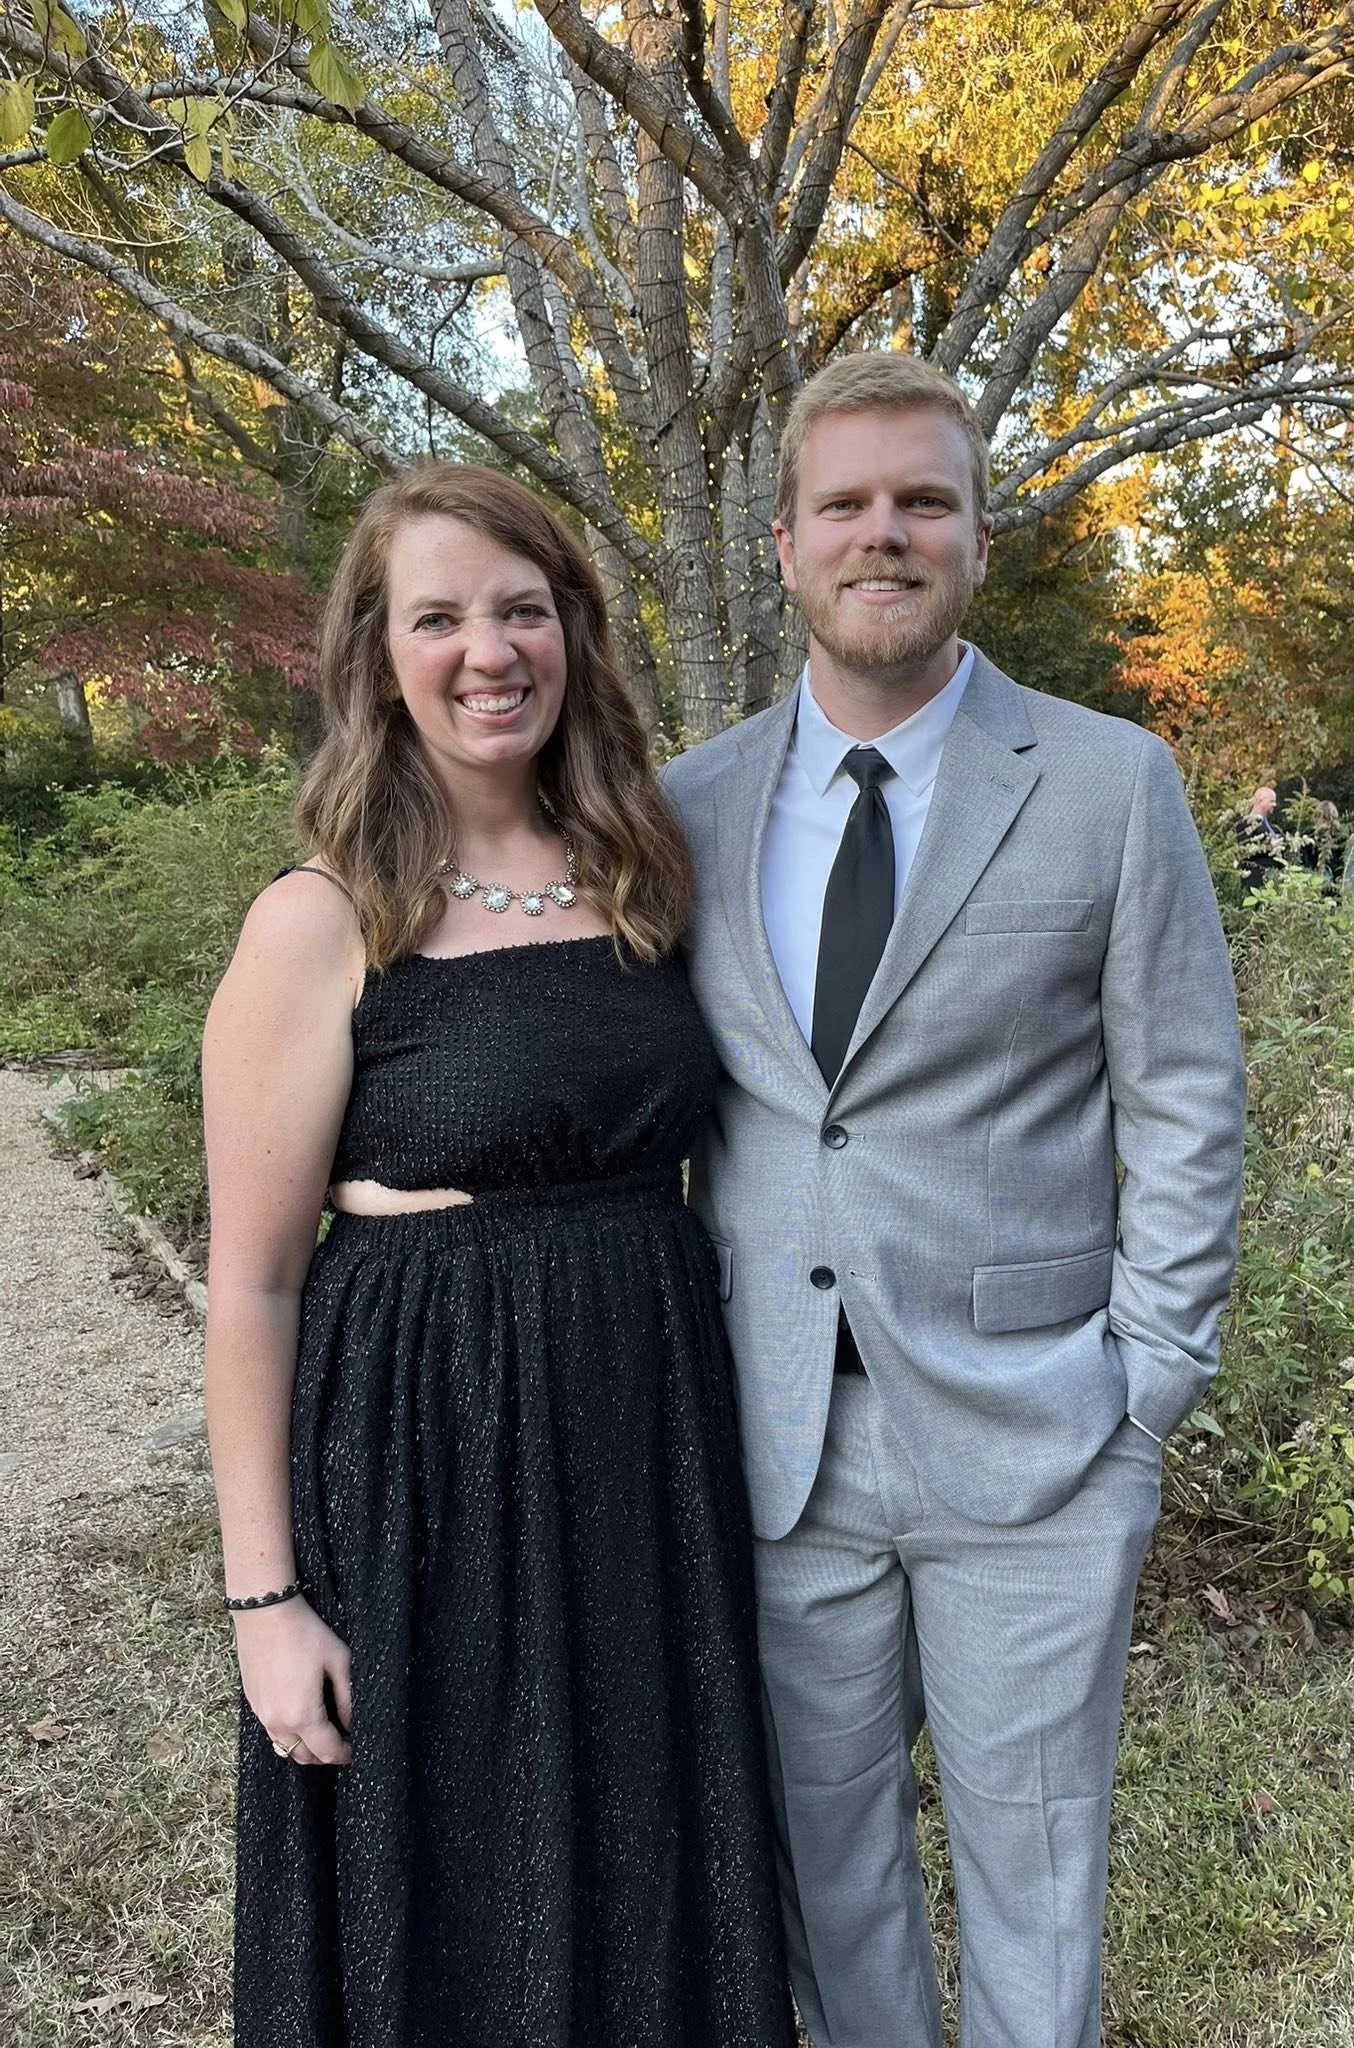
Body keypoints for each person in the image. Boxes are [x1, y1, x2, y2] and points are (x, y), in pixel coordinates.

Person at [661, 354, 1247, 2048]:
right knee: (823, 1866)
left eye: (924, 500)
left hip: (1039, 1430)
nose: (885, 533)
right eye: (845, 503)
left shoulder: (1110, 782)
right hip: (776, 1438)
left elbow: (1187, 1095)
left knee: (1036, 1862)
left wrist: (1147, 1383)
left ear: (980, 538)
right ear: (784, 544)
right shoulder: (690, 805)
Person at [201, 465, 794, 2048]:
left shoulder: (645, 875)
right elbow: (252, 1285)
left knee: (645, 1847)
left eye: (522, 610)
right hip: (425, 1473)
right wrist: (265, 1601)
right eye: (439, 618)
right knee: (456, 1876)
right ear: (376, 655)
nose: (488, 651)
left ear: (573, 632)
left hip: (648, 1455)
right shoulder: (322, 920)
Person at [1234, 783, 1284, 892]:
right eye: (1271, 801)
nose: (1275, 804)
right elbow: (1245, 849)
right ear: (1261, 801)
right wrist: (1269, 846)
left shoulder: (1267, 823)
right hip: (1255, 880)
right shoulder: (1246, 823)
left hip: (1270, 880)